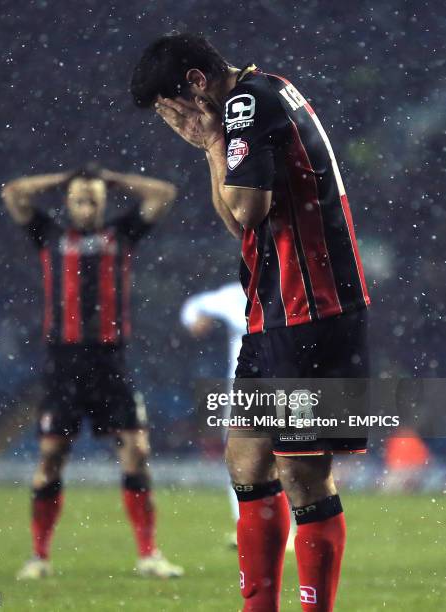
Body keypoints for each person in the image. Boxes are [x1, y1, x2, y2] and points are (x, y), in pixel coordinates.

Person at [131, 33, 370, 611]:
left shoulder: (247, 103)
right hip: (274, 310)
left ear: (195, 82)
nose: (175, 121)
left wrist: (213, 137)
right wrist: (214, 146)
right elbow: (240, 222)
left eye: (172, 107)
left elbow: (247, 208)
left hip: (312, 312)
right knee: (246, 458)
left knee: (304, 475)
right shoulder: (267, 91)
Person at [2, 163, 184, 580]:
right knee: (51, 457)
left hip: (110, 362)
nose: (86, 208)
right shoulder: (50, 236)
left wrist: (114, 179)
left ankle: (148, 554)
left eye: (94, 201)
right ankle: (39, 557)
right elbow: (14, 192)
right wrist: (60, 178)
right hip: (63, 365)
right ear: (68, 203)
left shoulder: (120, 235)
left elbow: (163, 193)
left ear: (104, 203)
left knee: (136, 453)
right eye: (80, 200)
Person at [180, 282, 296, 551]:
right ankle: (247, 525)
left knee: (289, 459)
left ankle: (289, 527)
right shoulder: (236, 295)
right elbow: (194, 305)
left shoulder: (294, 292)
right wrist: (194, 321)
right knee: (241, 462)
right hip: (244, 389)